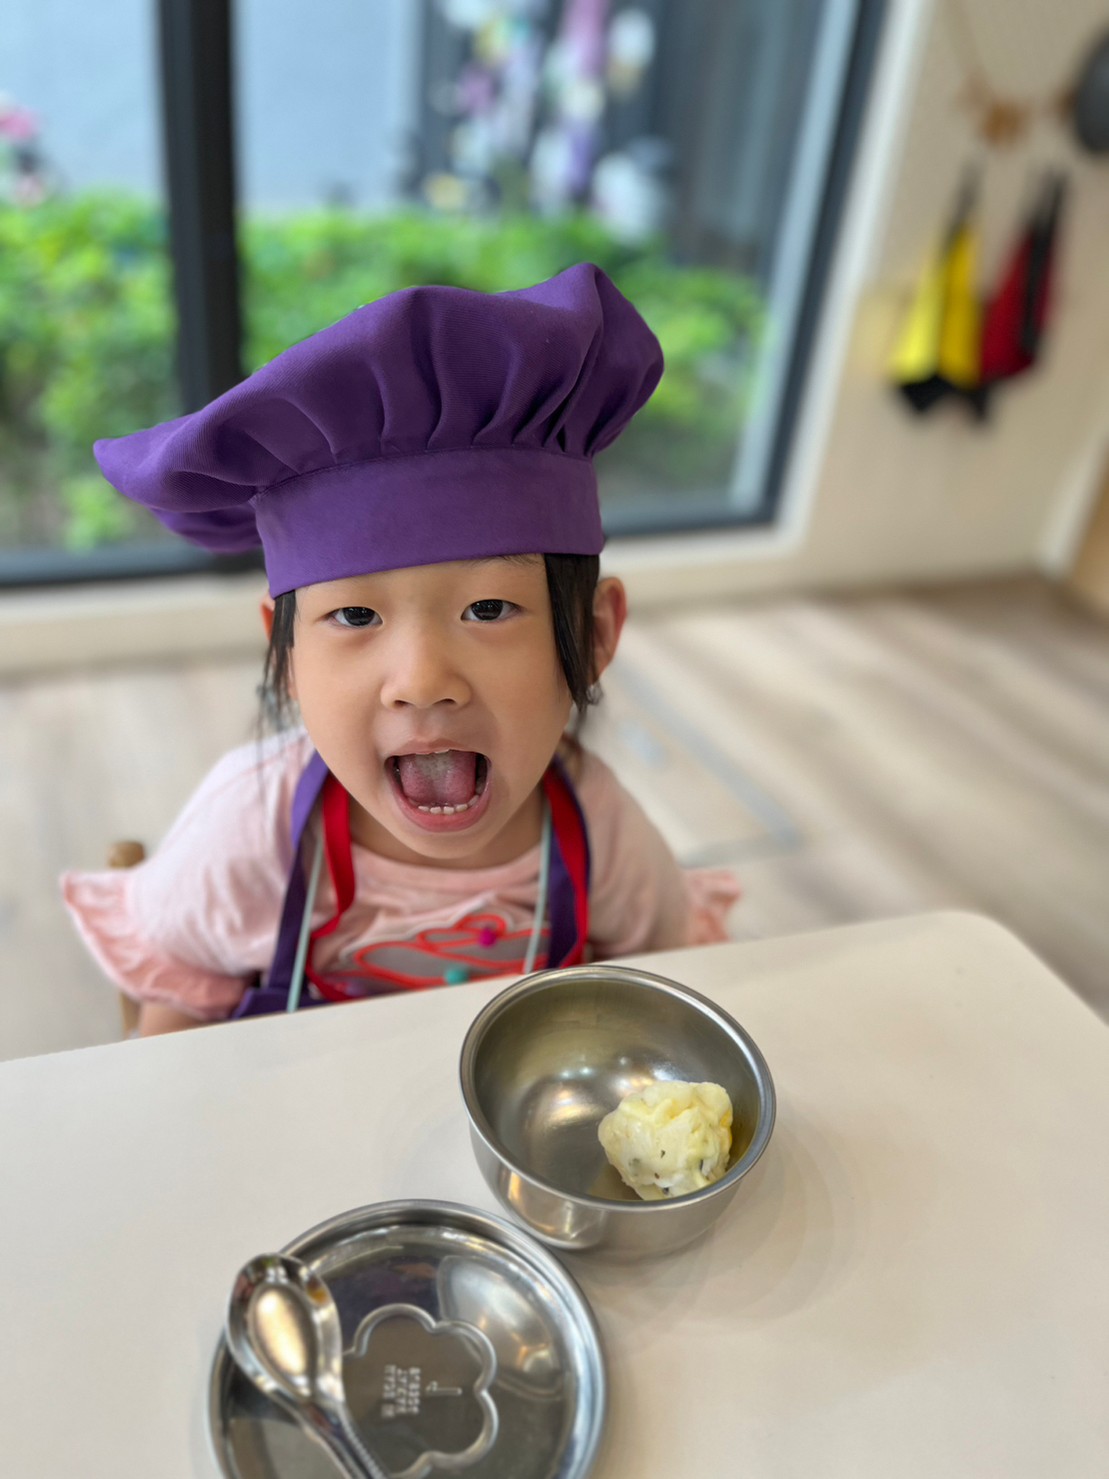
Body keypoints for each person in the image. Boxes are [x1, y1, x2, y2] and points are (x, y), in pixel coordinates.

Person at [61, 264, 739, 1036]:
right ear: (286, 654)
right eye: (354, 615)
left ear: (591, 637)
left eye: (488, 608)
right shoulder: (248, 831)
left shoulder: (601, 832)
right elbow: (172, 1029)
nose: (421, 681)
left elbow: (661, 996)